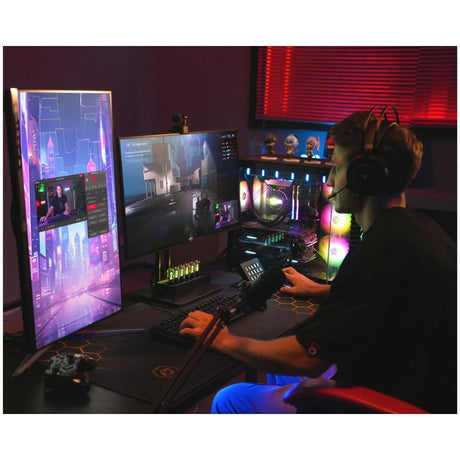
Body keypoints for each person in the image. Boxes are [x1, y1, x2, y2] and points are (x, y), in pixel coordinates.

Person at [179, 108, 457, 414]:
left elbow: (308, 360)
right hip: (407, 385)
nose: (330, 179)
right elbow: (388, 294)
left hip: (384, 406)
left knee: (230, 398)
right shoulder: (420, 231)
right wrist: (322, 290)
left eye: (337, 167)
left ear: (364, 176)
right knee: (279, 370)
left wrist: (222, 339)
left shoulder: (382, 249)